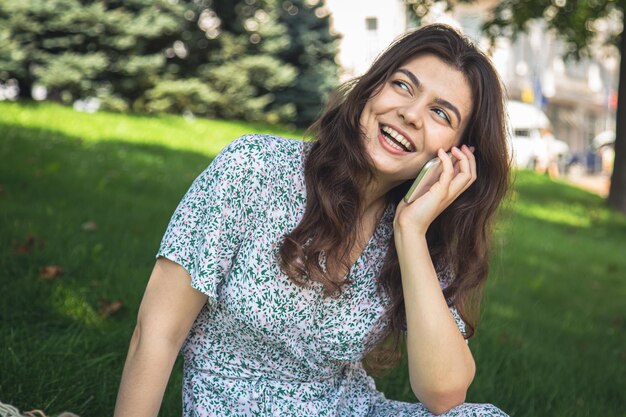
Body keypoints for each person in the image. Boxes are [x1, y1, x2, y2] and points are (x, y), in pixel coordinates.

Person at [114, 24, 510, 417]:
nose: (409, 114)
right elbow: (156, 333)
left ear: (456, 155)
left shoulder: (417, 232)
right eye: (403, 86)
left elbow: (445, 395)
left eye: (440, 113)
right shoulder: (255, 168)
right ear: (372, 88)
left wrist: (410, 233)